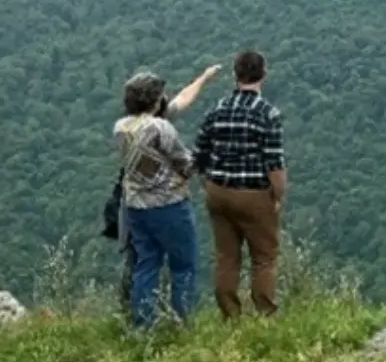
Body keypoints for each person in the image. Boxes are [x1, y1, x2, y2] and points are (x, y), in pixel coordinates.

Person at [115, 65, 221, 315]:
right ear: (154, 99)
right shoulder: (161, 129)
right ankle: (181, 320)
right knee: (183, 265)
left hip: (135, 207)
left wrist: (202, 79)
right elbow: (186, 164)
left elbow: (179, 102)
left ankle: (143, 323)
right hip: (169, 205)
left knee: (146, 264)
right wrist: (206, 156)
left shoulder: (122, 127)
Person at [194, 50, 288, 319]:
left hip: (218, 191)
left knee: (226, 257)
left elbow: (199, 154)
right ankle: (265, 315)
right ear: (264, 75)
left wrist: (209, 185)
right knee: (264, 258)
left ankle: (230, 317)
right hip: (254, 195)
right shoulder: (267, 114)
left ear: (235, 76)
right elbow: (275, 163)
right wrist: (278, 195)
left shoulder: (217, 109)